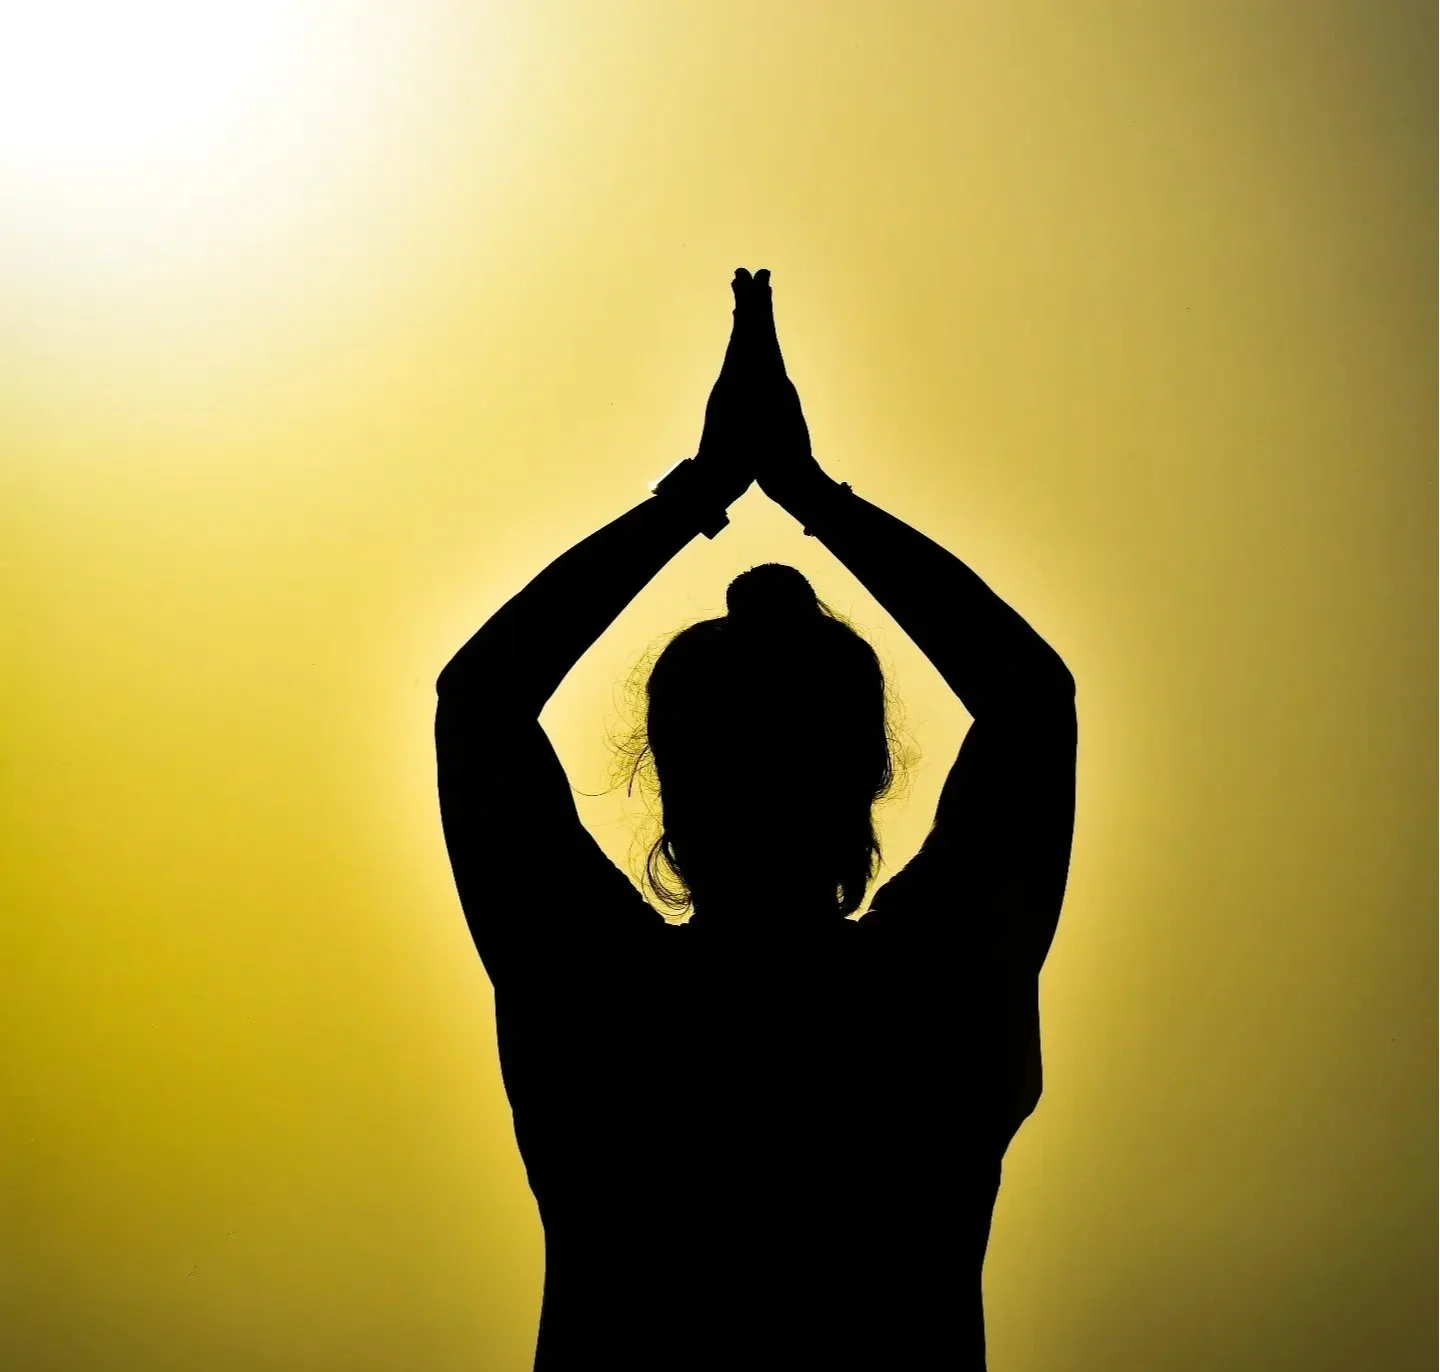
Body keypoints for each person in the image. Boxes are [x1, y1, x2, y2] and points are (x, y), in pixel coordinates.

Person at [435, 269, 1077, 1370]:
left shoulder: (605, 1006)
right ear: (867, 784)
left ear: (672, 800)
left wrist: (699, 494)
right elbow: (1029, 699)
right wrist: (807, 490)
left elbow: (481, 702)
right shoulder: (928, 999)